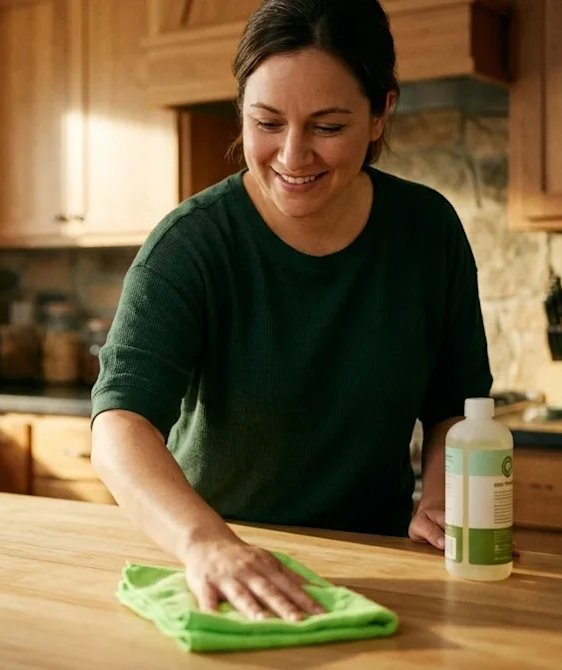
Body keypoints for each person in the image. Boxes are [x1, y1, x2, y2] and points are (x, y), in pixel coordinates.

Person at [89, 0, 493, 624]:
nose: (292, 155)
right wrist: (209, 544)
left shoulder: (427, 231)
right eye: (267, 123)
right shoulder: (191, 244)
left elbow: (456, 407)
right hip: (224, 566)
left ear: (381, 111)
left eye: (328, 126)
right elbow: (119, 425)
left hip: (377, 564)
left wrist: (440, 502)